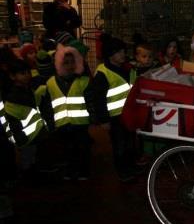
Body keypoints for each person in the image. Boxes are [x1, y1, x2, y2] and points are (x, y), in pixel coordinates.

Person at [88, 34, 138, 182]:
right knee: (119, 146)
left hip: (128, 114)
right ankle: (123, 171)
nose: (123, 54)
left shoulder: (125, 68)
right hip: (114, 118)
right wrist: (104, 120)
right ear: (110, 55)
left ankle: (130, 166)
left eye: (123, 51)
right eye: (119, 52)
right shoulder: (103, 74)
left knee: (130, 143)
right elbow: (99, 100)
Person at [42, 44, 91, 180]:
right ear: (59, 64)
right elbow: (47, 106)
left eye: (72, 62)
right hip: (61, 125)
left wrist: (94, 118)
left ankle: (82, 171)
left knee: (82, 148)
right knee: (66, 150)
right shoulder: (50, 83)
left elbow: (90, 101)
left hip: (80, 124)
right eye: (66, 62)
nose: (69, 66)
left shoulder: (84, 81)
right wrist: (50, 123)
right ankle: (70, 170)